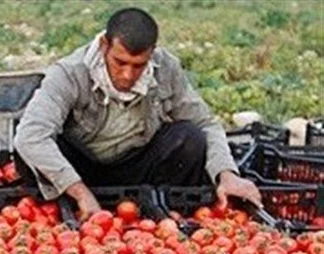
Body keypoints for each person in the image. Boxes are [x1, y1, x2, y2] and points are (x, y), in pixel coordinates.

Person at [14, 7, 262, 218]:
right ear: (104, 46)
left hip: (138, 167)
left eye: (138, 65)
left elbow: (206, 124)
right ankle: (69, 202)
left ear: (151, 53)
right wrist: (80, 191)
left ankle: (160, 210)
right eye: (120, 62)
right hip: (80, 167)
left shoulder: (166, 68)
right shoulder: (70, 73)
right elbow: (31, 136)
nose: (128, 75)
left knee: (190, 138)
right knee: (29, 152)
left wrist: (227, 174)